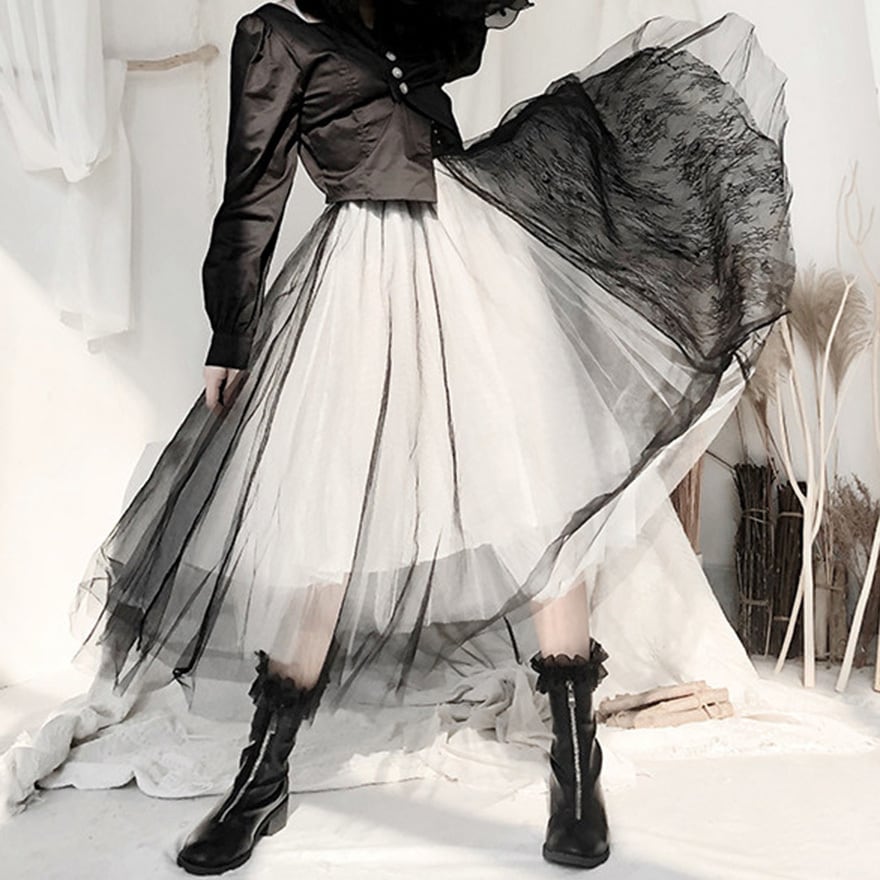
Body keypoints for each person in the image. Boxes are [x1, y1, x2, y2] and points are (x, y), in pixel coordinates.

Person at [48, 0, 792, 874]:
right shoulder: (278, 35)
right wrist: (231, 333)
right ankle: (262, 776)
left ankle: (575, 763)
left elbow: (474, 27)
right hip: (361, 273)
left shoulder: (418, 24)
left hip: (478, 259)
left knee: (538, 488)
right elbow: (252, 193)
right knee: (326, 515)